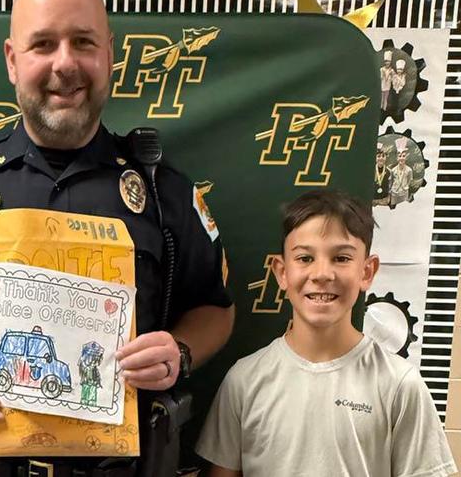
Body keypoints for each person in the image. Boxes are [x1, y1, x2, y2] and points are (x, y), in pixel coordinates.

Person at [0, 0, 234, 476]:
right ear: (12, 60)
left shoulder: (164, 191)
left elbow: (217, 309)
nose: (64, 64)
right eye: (43, 44)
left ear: (109, 53)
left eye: (83, 42)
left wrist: (180, 351)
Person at [195, 190, 457, 477]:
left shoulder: (399, 384)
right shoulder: (243, 381)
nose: (322, 274)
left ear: (367, 272)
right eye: (305, 258)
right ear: (282, 272)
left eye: (341, 258)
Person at [389, 136, 413, 206]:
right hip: (394, 193)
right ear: (397, 158)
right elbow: (391, 181)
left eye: (403, 156)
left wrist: (405, 187)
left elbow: (409, 180)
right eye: (399, 156)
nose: (401, 158)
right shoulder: (393, 170)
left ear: (406, 157)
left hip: (404, 193)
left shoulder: (409, 170)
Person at [372, 142, 391, 206]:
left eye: (383, 156)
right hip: (372, 199)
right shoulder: (371, 170)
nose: (381, 158)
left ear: (386, 157)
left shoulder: (389, 171)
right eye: (378, 156)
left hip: (384, 200)